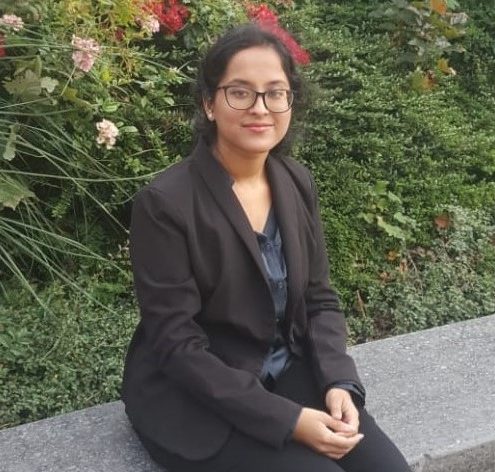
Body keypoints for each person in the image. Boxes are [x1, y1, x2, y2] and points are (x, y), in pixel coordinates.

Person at [121, 23, 412, 472]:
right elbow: (178, 346)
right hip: (197, 399)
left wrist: (338, 382)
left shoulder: (295, 181)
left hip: (285, 371)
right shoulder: (165, 205)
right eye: (240, 92)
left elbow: (318, 298)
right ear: (209, 103)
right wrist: (290, 420)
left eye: (275, 93)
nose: (261, 108)